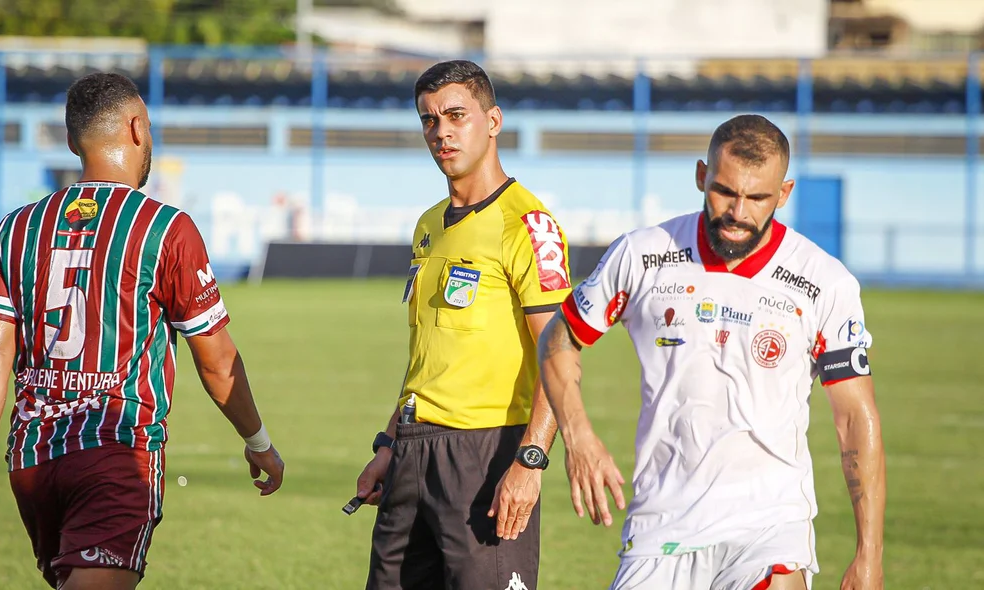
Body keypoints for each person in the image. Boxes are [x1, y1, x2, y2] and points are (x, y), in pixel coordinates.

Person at [0, 72, 285, 590]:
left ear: (70, 140)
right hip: (116, 451)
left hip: (32, 461)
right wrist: (258, 441)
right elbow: (216, 361)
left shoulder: (15, 228)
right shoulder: (166, 228)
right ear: (135, 126)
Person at [537, 114, 886, 590]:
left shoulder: (824, 282)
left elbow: (853, 416)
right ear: (702, 176)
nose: (739, 211)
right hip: (661, 526)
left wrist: (869, 552)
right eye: (725, 191)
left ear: (783, 194)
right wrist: (578, 438)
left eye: (758, 198)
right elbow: (559, 338)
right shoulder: (644, 255)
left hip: (768, 528)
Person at [354, 59, 573, 590]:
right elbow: (431, 355)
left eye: (456, 115)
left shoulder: (528, 224)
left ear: (493, 120)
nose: (441, 131)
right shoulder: (428, 225)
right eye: (429, 119)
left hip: (486, 457)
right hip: (411, 451)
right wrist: (390, 442)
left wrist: (531, 460)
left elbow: (560, 353)